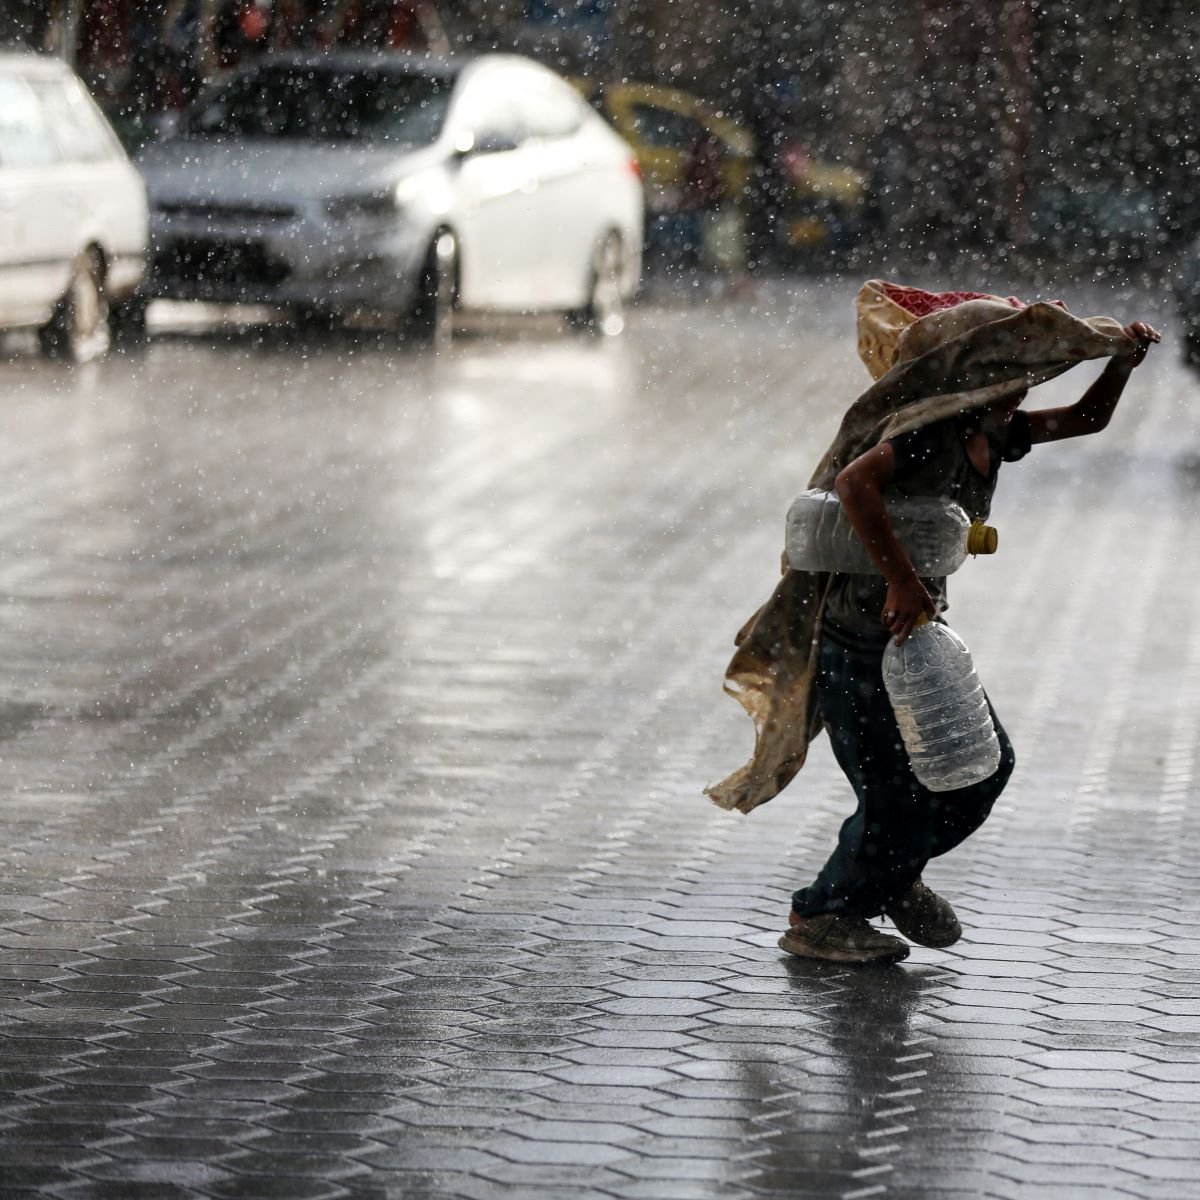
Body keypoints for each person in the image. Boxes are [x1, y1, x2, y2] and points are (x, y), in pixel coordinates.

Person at [705, 281, 1160, 964]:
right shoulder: (927, 435)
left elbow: (1084, 421)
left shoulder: (996, 430)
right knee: (897, 800)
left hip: (913, 641)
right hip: (860, 645)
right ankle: (823, 915)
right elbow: (857, 485)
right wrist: (902, 580)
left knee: (982, 769)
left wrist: (1120, 364)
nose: (1021, 388)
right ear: (971, 374)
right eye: (1007, 374)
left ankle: (886, 878)